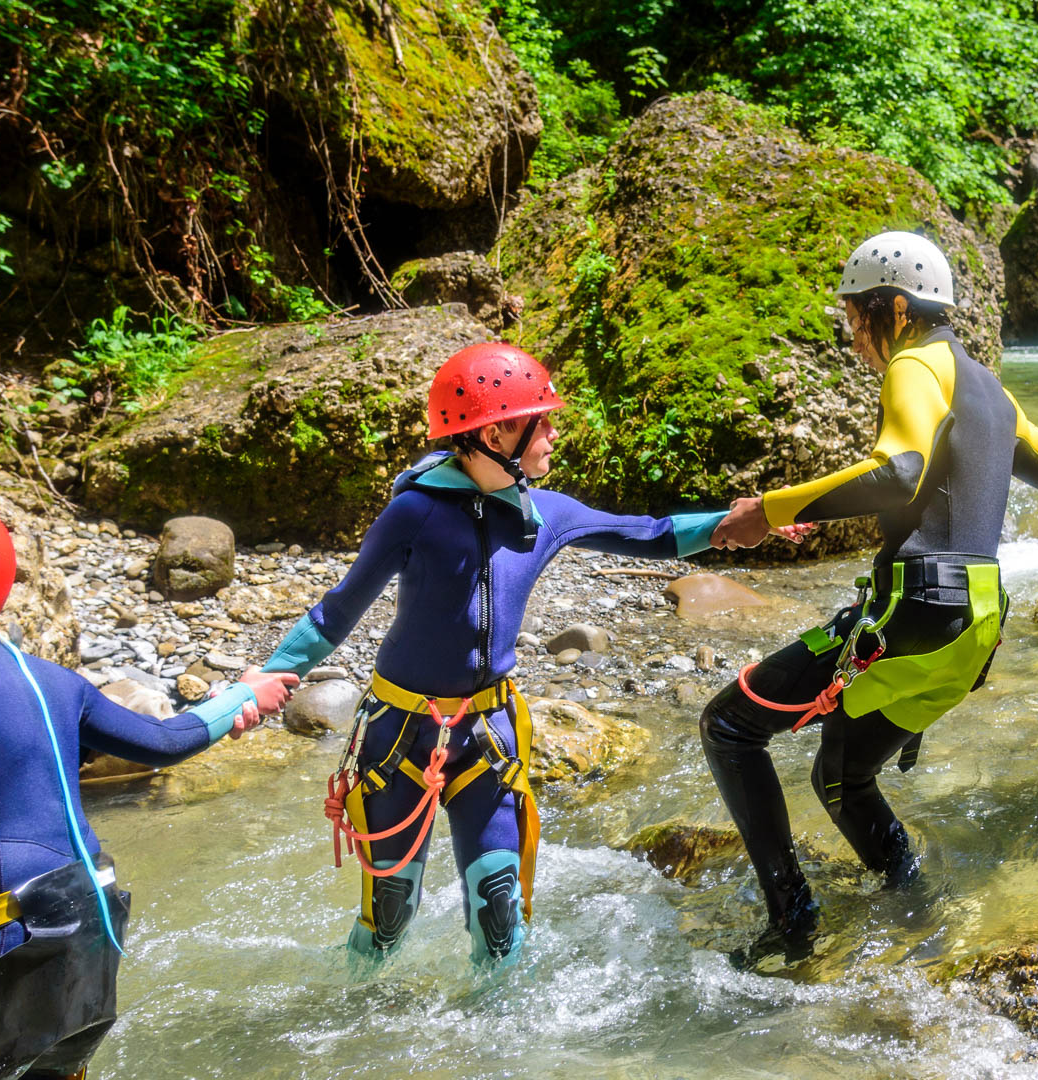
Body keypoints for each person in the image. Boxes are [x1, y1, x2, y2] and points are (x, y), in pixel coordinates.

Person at [257, 342, 791, 967]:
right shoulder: (414, 513)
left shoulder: (544, 513)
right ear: (496, 431)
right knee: (390, 916)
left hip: (489, 733)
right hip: (399, 733)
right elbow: (337, 610)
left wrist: (742, 520)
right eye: (543, 422)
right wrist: (264, 681)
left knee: (499, 915)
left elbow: (649, 533)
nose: (555, 434)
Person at [703, 230, 1038, 966]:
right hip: (973, 627)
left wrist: (774, 509)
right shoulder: (989, 387)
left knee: (729, 727)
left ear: (892, 307)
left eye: (855, 319)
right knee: (844, 775)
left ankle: (792, 926)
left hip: (913, 611)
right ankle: (918, 916)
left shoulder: (916, 364)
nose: (855, 338)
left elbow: (901, 472)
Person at [0, 492, 297, 1080]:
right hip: (98, 927)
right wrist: (245, 696)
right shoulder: (55, 680)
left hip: (14, 940)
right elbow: (167, 742)